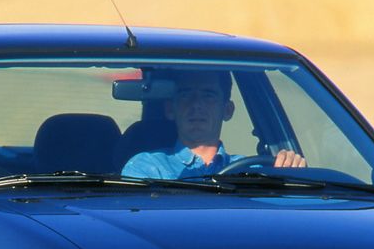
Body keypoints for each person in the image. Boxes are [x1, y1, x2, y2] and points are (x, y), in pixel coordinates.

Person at [121, 69, 306, 179]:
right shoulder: (147, 168)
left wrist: (295, 174)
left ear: (228, 110)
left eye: (208, 95)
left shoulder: (256, 173)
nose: (196, 104)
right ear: (170, 109)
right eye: (186, 95)